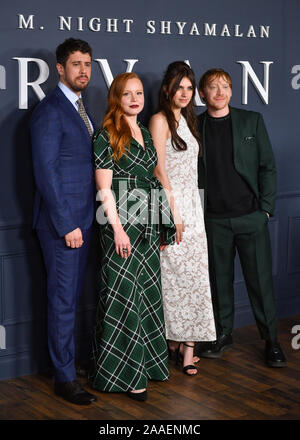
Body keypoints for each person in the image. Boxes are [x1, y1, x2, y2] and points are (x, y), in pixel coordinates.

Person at [88, 72, 176, 402]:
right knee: (122, 296)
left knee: (146, 295)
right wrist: (118, 229)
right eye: (128, 94)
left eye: (139, 93)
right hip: (120, 224)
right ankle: (124, 375)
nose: (135, 99)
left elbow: (154, 180)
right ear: (117, 99)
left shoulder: (143, 133)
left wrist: (164, 222)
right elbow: (104, 189)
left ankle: (149, 365)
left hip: (148, 222)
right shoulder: (106, 135)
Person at [195, 68, 287, 367]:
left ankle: (271, 340)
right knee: (219, 283)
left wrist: (266, 210)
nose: (219, 92)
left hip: (250, 217)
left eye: (225, 86)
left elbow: (267, 168)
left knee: (259, 282)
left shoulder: (252, 120)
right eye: (212, 86)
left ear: (232, 91)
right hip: (214, 221)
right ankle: (223, 335)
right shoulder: (195, 127)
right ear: (202, 93)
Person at [30, 38, 98, 405]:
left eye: (87, 63)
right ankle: (64, 378)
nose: (83, 70)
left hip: (85, 220)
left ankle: (68, 364)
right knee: (63, 302)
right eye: (76, 64)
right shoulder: (51, 110)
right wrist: (67, 224)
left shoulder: (80, 108)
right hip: (64, 225)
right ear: (60, 68)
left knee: (73, 299)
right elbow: (47, 173)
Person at [149, 61, 216, 376]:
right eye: (179, 87)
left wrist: (189, 210)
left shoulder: (189, 121)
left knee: (196, 279)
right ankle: (173, 342)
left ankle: (188, 347)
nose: (185, 93)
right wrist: (171, 212)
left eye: (190, 88)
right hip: (171, 206)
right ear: (167, 90)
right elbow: (159, 170)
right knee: (173, 279)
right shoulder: (159, 120)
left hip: (194, 206)